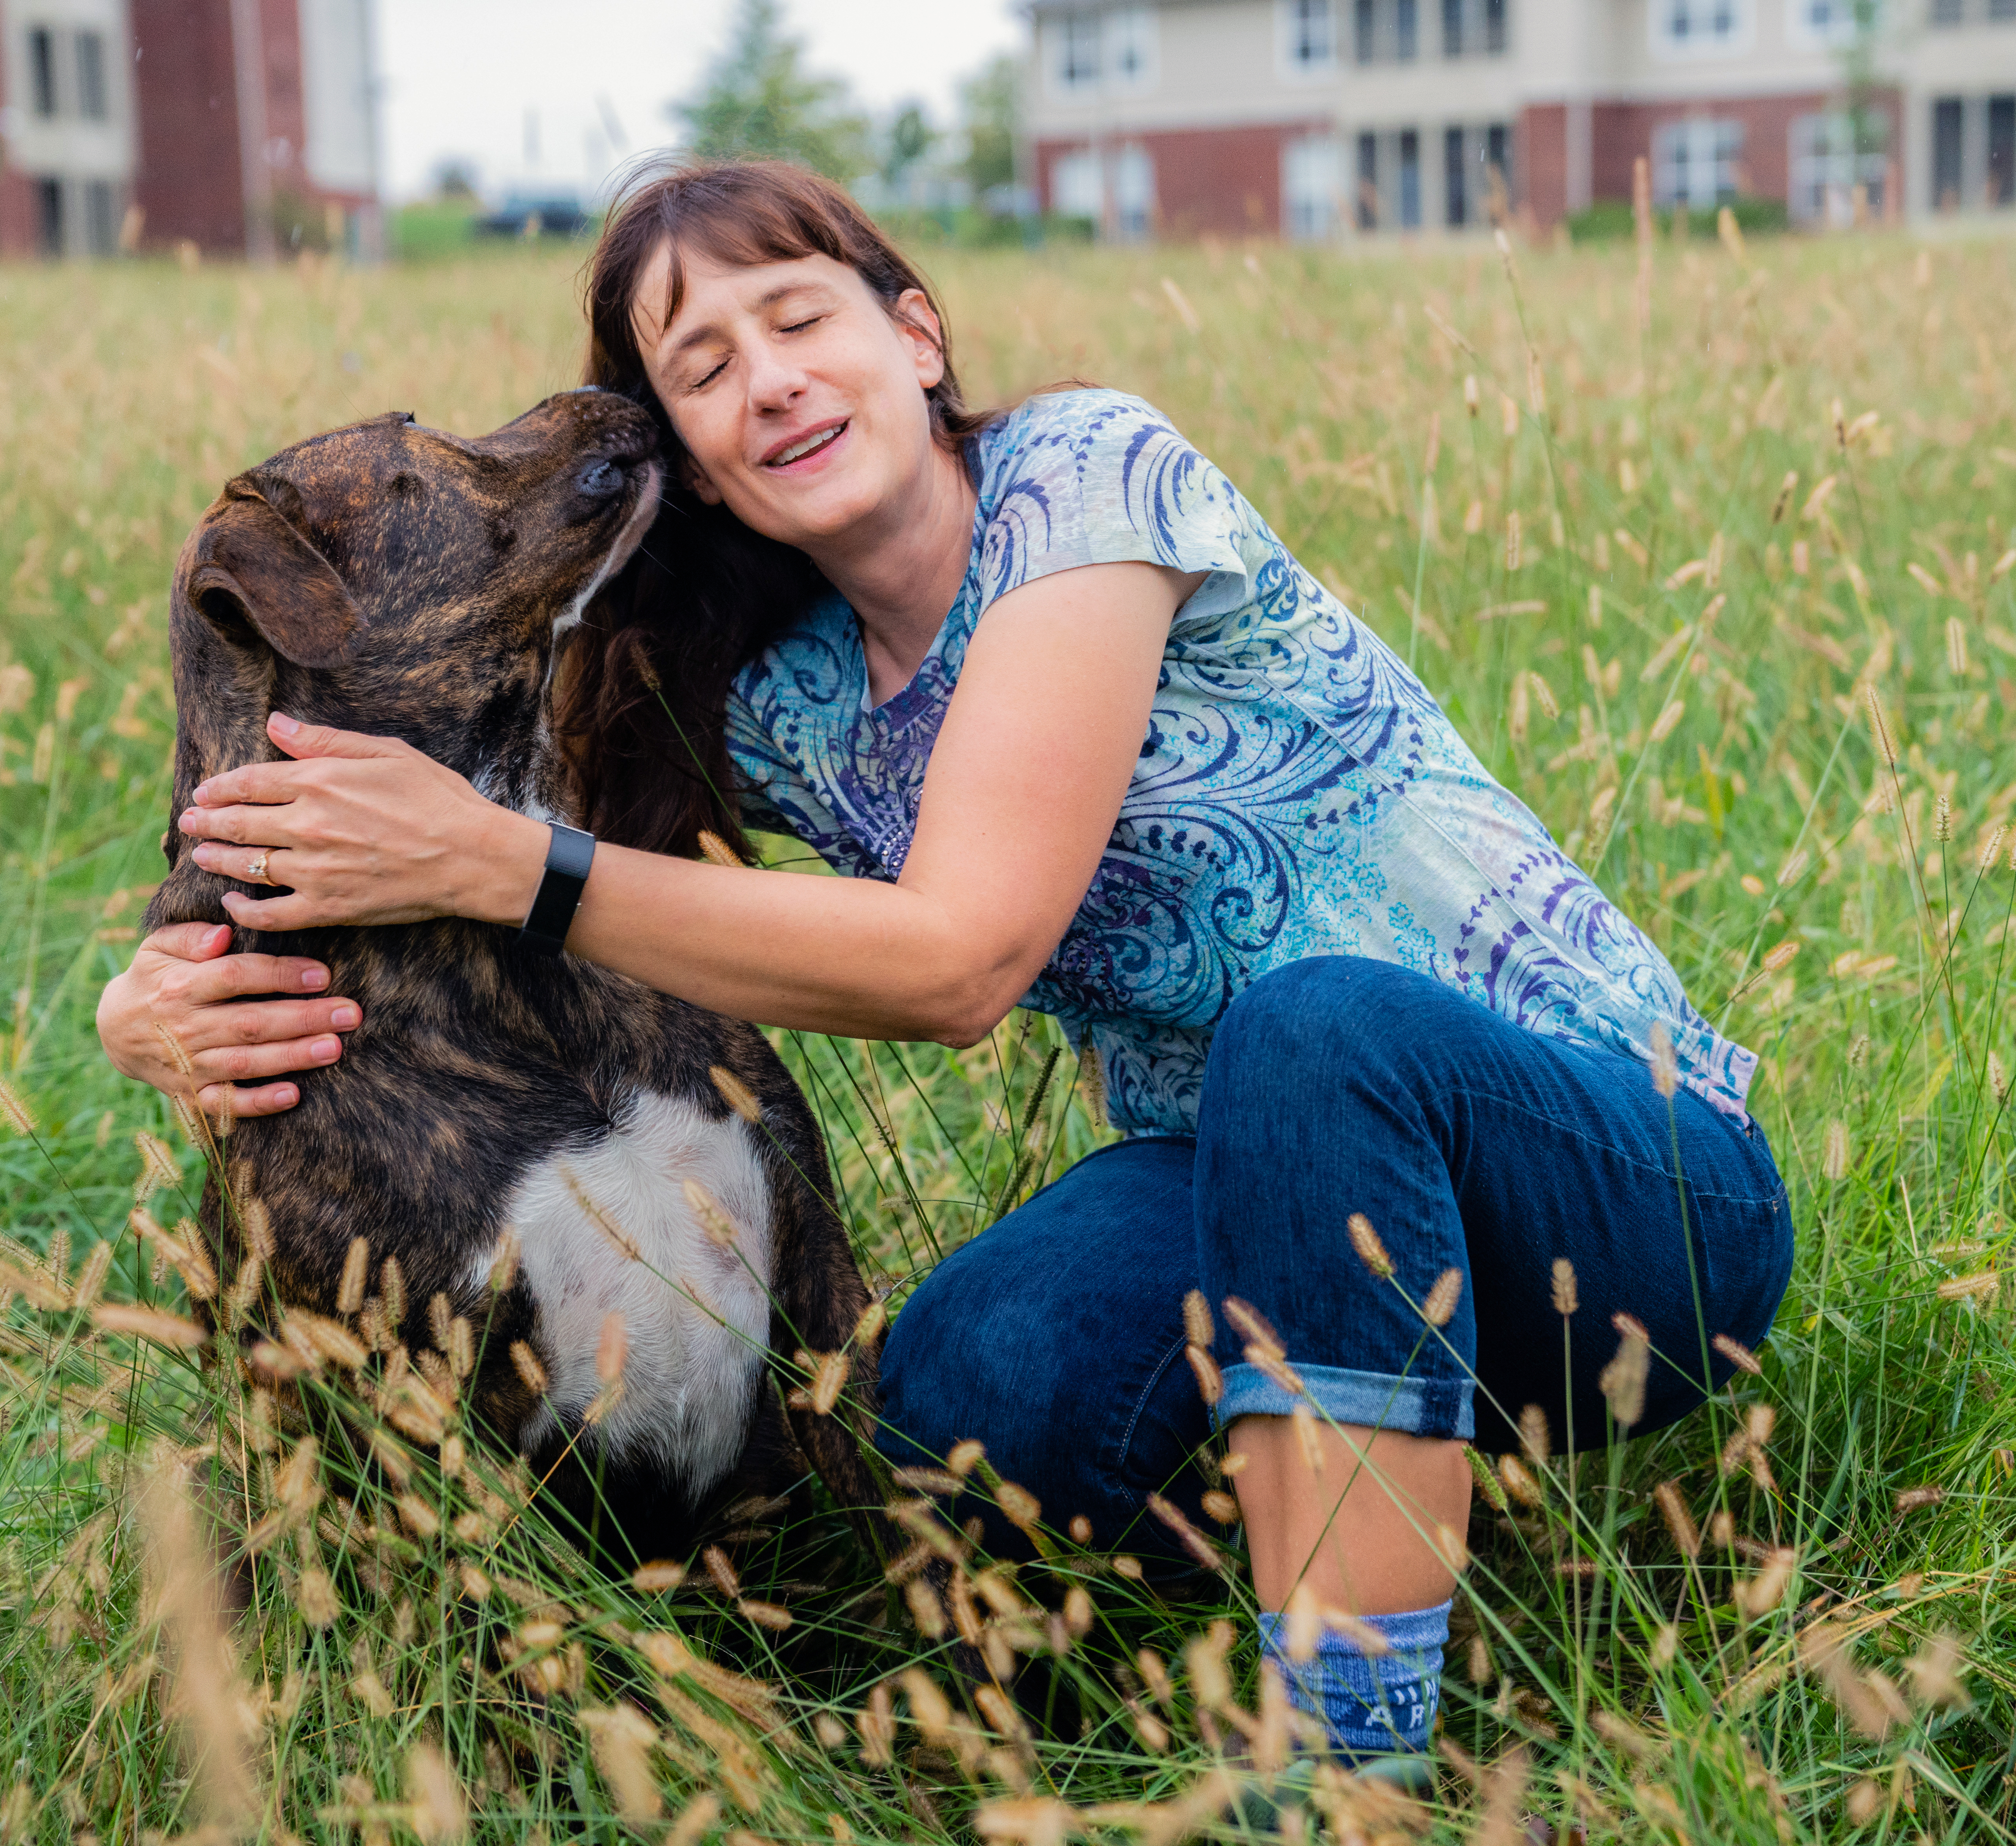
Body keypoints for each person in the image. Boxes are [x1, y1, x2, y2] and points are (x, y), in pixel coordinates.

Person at [97, 159, 1792, 1771]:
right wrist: (162, 996)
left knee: (1316, 1031)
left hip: (1626, 1179)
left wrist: (501, 865)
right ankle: (1373, 1494)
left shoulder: (1089, 481)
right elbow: (463, 818)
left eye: (796, 317)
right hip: (1237, 1184)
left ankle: (1344, 1757)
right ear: (685, 456)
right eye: (703, 365)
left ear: (911, 337)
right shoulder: (775, 696)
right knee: (952, 1405)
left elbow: (962, 957)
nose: (766, 380)